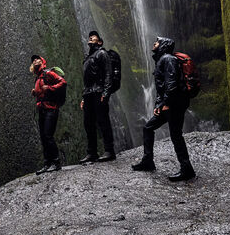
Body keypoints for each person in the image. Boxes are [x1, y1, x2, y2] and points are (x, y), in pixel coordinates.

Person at [131, 37, 196, 181]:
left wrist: (166, 103)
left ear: (163, 45)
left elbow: (171, 84)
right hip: (169, 103)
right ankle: (148, 161)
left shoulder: (168, 59)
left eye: (157, 42)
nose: (154, 43)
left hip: (175, 104)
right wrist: (158, 105)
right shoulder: (163, 60)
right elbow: (162, 88)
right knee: (148, 128)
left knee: (175, 135)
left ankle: (187, 169)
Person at [79, 30, 115, 164]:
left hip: (99, 92)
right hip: (89, 94)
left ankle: (109, 150)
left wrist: (106, 93)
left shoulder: (102, 53)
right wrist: (83, 97)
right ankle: (92, 152)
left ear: (99, 41)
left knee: (103, 121)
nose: (90, 37)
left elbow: (108, 74)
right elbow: (86, 80)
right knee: (88, 124)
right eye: (89, 37)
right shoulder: (88, 58)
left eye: (93, 37)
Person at [30, 54, 67, 174]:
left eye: (37, 59)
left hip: (51, 109)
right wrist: (36, 93)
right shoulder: (37, 77)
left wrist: (50, 88)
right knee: (43, 137)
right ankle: (47, 163)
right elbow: (42, 92)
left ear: (42, 61)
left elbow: (63, 82)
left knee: (48, 135)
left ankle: (56, 162)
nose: (35, 60)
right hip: (42, 110)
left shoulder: (48, 73)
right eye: (33, 60)